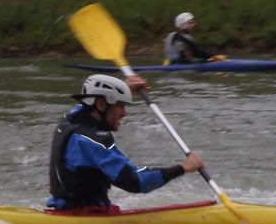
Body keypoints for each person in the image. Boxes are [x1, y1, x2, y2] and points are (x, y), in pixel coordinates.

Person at [46, 73, 204, 212]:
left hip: (62, 206)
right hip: (88, 216)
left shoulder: (69, 120)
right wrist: (183, 167)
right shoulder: (92, 142)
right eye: (120, 105)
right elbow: (136, 182)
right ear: (101, 104)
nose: (124, 113)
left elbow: (85, 105)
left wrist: (123, 90)